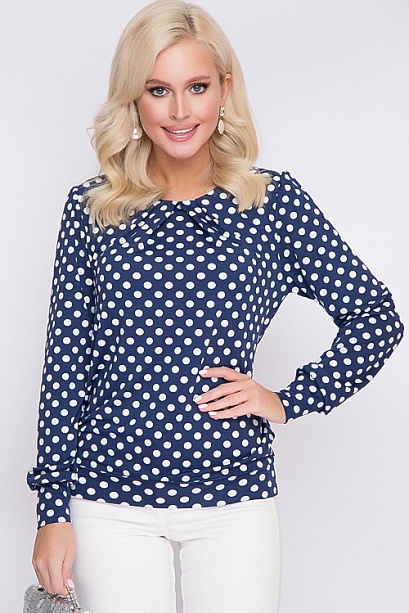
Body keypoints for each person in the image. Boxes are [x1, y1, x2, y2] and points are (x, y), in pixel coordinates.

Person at [27, 1, 404, 612]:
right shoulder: (93, 208)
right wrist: (52, 511)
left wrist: (287, 400)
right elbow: (67, 364)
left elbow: (375, 317)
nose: (180, 111)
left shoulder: (271, 203)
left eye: (197, 87)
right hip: (107, 499)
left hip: (234, 497)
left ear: (224, 90)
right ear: (134, 100)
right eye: (158, 90)